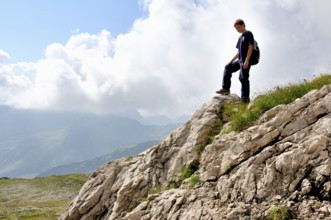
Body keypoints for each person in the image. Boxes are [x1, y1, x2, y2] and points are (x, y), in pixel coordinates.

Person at [216, 19, 255, 103]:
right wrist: (230, 61)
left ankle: (245, 99)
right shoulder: (240, 38)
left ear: (243, 25)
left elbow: (251, 46)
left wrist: (247, 61)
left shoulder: (248, 34)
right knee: (227, 68)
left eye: (238, 27)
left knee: (243, 78)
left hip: (245, 60)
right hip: (240, 60)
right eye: (236, 29)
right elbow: (239, 52)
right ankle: (226, 89)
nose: (237, 30)